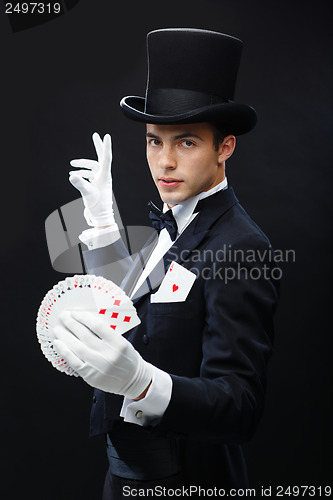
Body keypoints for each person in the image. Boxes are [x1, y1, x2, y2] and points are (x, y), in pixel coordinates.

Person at [53, 28, 279, 498]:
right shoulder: (170, 225)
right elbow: (137, 321)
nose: (165, 162)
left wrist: (141, 382)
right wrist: (101, 227)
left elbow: (239, 408)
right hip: (122, 481)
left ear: (225, 147)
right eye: (155, 141)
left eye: (187, 143)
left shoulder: (241, 246)